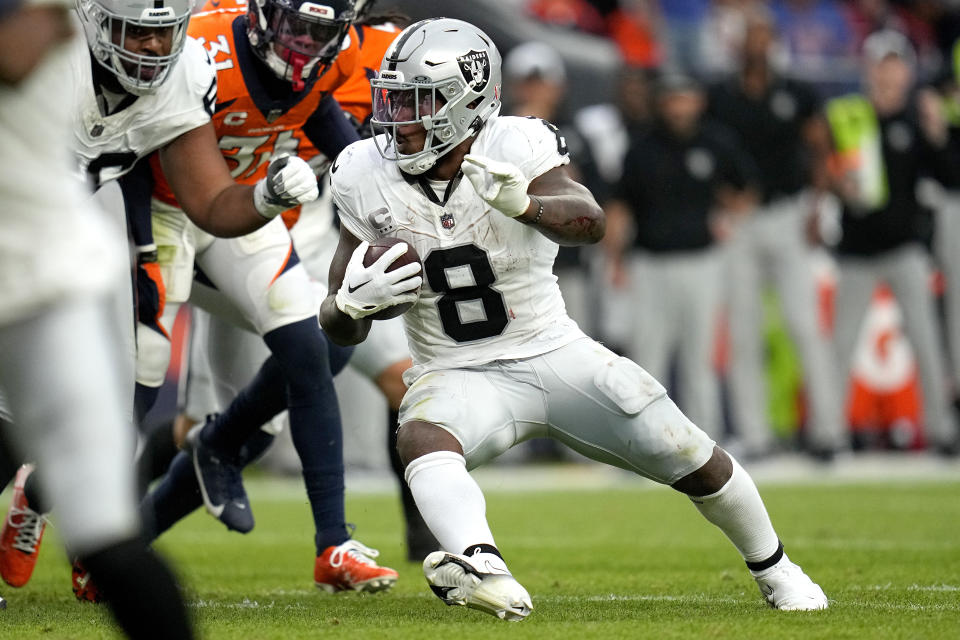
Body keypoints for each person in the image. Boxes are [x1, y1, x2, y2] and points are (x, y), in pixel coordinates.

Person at [319, 17, 829, 621]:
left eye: (417, 101)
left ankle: (777, 568)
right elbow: (335, 316)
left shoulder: (516, 145)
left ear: (467, 101)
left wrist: (525, 205)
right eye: (393, 99)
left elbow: (591, 220)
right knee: (421, 436)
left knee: (686, 449)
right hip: (456, 370)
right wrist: (351, 307)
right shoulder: (361, 172)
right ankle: (484, 567)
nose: (397, 117)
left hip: (552, 352)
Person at [0, 0, 320, 598]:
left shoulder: (183, 72)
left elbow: (210, 202)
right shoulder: (49, 52)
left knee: (81, 414)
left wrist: (267, 197)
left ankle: (74, 528)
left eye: (162, 33)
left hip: (48, 235)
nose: (151, 49)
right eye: (134, 33)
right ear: (92, 21)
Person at [134, 0, 398, 592]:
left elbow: (325, 114)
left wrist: (387, 210)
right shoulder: (203, 46)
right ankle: (57, 509)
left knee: (312, 352)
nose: (305, 43)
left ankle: (333, 542)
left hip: (255, 214)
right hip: (166, 211)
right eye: (296, 25)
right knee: (134, 376)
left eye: (322, 32)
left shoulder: (348, 53)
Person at [0, 0, 193, 635]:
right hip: (45, 267)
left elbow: (21, 45)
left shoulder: (53, 25)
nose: (149, 45)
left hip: (45, 276)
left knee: (107, 534)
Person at [707, 10, 846, 460]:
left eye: (765, 37)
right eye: (752, 37)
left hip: (787, 211)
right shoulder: (722, 96)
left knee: (804, 324)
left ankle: (828, 431)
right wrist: (723, 197)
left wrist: (817, 205)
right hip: (741, 223)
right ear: (739, 43)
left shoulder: (797, 92)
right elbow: (706, 151)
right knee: (744, 330)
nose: (758, 45)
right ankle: (755, 434)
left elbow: (822, 146)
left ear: (774, 43)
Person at [815, 30, 960, 455]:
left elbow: (949, 175)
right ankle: (828, 433)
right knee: (840, 344)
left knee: (926, 342)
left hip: (905, 247)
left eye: (896, 64)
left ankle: (942, 431)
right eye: (882, 64)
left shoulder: (918, 119)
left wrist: (938, 134)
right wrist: (834, 182)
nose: (889, 73)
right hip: (856, 250)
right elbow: (825, 172)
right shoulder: (847, 116)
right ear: (869, 69)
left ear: (908, 71)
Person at [605, 71, 758, 443]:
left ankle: (706, 446)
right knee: (646, 360)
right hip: (650, 263)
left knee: (699, 361)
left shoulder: (716, 142)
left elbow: (745, 190)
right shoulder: (641, 146)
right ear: (662, 102)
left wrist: (729, 218)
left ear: (698, 101)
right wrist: (616, 259)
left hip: (701, 262)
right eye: (672, 98)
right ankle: (641, 443)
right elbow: (620, 206)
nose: (678, 106)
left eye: (684, 97)